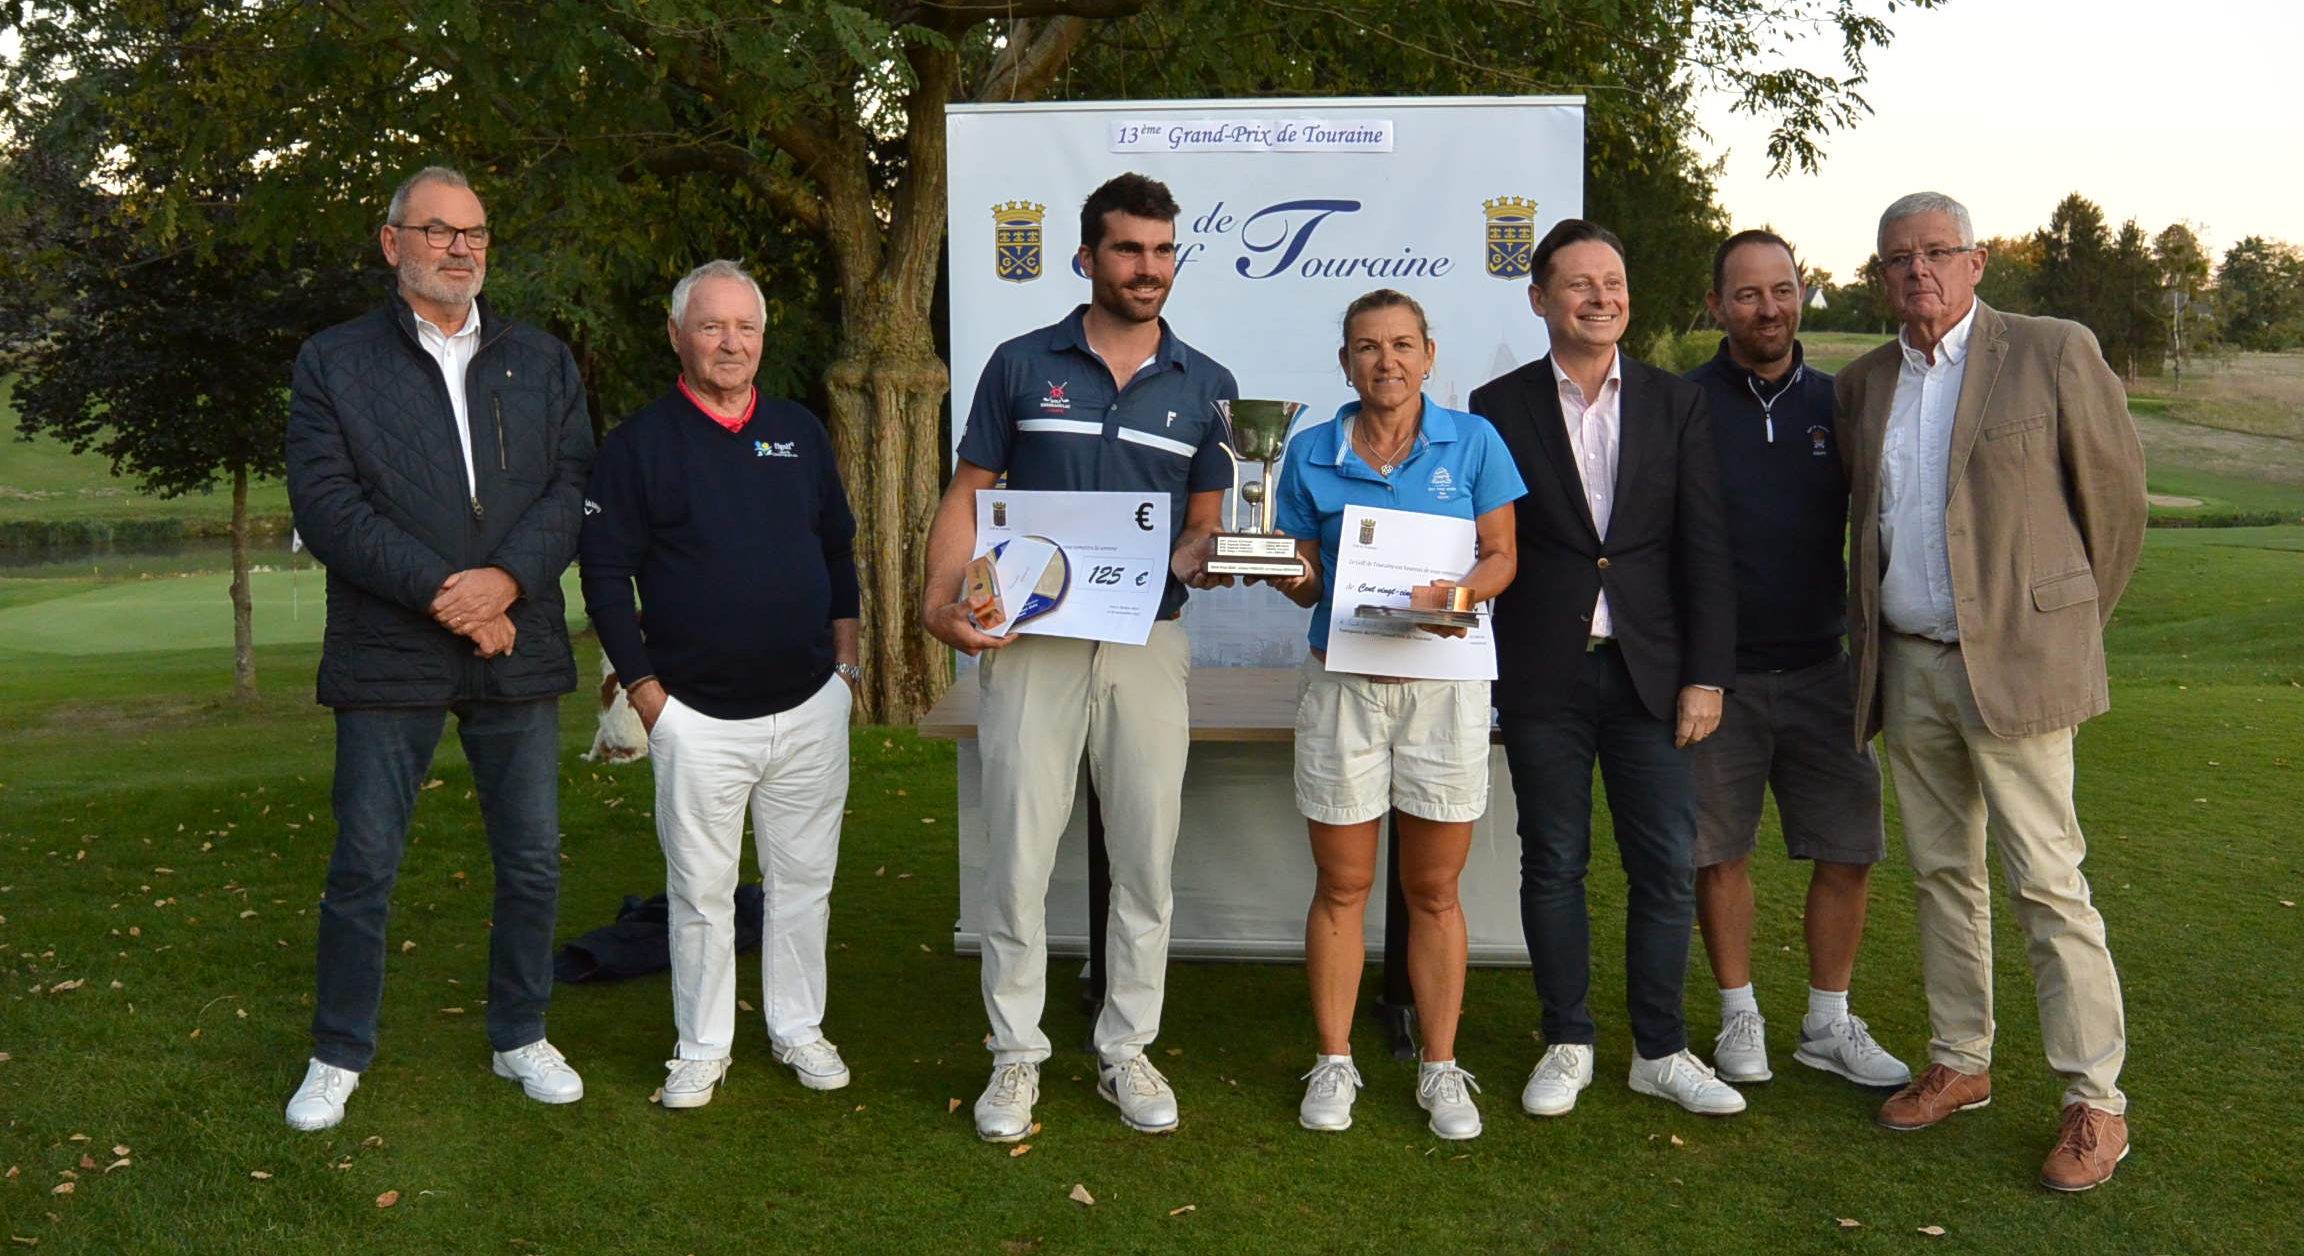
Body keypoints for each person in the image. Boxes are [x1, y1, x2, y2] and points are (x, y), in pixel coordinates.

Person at [1839, 192, 2146, 1191]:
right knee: (1940, 875)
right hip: (1910, 661)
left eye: (1937, 252)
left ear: (1977, 264)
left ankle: (2096, 1100)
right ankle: (1961, 1058)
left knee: (2049, 883)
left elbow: (2117, 506)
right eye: (1898, 257)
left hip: (2017, 665)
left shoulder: (2051, 351)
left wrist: (2061, 634)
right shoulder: (1868, 381)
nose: (1917, 270)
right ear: (1880, 275)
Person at [922, 173, 1238, 1142]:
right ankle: (1015, 1057)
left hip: (1147, 645)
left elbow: (1206, 521)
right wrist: (939, 600)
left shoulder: (1209, 384)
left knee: (1145, 855)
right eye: (1129, 249)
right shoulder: (1021, 364)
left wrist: (1201, 554)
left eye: (1162, 250)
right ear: (1087, 258)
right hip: (1033, 647)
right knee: (1018, 856)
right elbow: (970, 492)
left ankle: (1125, 1046)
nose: (1148, 268)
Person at [282, 166, 594, 1130]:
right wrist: (448, 595)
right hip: (390, 648)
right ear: (392, 244)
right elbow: (329, 507)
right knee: (367, 861)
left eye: (476, 234)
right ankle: (338, 1051)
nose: (461, 249)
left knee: (534, 859)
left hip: (518, 637)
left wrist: (503, 586)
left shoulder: (540, 359)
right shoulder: (332, 361)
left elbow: (575, 482)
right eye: (438, 232)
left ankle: (519, 1034)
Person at [1469, 218, 1745, 1119]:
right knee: (1552, 859)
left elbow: (1705, 546)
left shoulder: (1677, 403)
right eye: (1579, 283)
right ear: (1539, 298)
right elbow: (1489, 542)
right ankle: (1568, 1039)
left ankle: (1660, 1049)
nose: (1601, 297)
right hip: (1543, 671)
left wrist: (1707, 674)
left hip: (1651, 675)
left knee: (1664, 864)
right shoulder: (1496, 405)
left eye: (1613, 281)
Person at [579, 260, 863, 1110]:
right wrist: (648, 696)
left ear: (762, 338)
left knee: (804, 883)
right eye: (712, 326)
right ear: (677, 335)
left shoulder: (800, 433)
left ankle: (798, 1029)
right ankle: (702, 1047)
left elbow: (837, 552)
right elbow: (603, 578)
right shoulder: (639, 445)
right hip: (694, 716)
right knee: (700, 894)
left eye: (745, 326)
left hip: (811, 703)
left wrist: (846, 672)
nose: (730, 342)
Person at [1264, 289, 1524, 1140]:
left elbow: (1501, 557)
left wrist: (1455, 593)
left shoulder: (1475, 441)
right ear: (1345, 362)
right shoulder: (1306, 452)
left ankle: (1441, 1068)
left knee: (1435, 890)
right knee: (1342, 885)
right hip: (1344, 682)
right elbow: (1304, 571)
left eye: (1403, 345)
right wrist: (1279, 571)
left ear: (1429, 355)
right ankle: (1334, 1061)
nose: (1388, 362)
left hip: (1445, 683)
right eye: (1368, 347)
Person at [1683, 231, 1910, 1091]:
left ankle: (1827, 1021)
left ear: (1803, 291)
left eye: (1781, 290)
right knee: (1719, 852)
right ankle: (1740, 1014)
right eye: (1747, 294)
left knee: (1849, 847)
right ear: (1717, 306)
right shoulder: (1681, 403)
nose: (1767, 308)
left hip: (1827, 669)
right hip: (1717, 680)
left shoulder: (1841, 400)